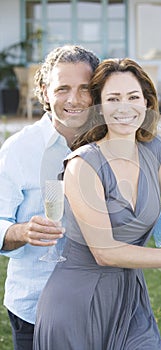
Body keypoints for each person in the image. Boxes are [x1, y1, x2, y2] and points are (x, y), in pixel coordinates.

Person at [33, 58, 161, 350]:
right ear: (99, 107)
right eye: (113, 99)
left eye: (133, 97)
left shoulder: (155, 151)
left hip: (131, 302)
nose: (124, 107)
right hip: (77, 305)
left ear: (146, 102)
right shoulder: (83, 164)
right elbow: (104, 252)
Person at [0, 44, 99, 350]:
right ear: (44, 92)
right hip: (35, 307)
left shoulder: (111, 148)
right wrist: (22, 231)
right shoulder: (18, 149)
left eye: (85, 88)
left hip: (98, 308)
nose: (74, 99)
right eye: (63, 88)